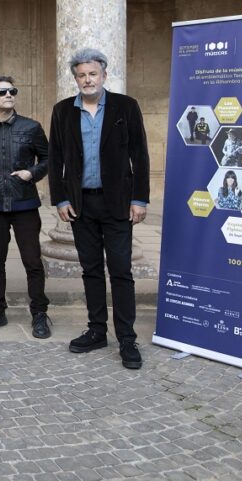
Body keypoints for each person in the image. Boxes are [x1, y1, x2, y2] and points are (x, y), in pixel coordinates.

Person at [48, 48, 149, 370]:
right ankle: (96, 330)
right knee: (90, 269)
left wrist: (139, 199)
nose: (87, 79)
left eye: (93, 74)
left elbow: (140, 155)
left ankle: (127, 338)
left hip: (117, 202)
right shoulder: (63, 111)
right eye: (81, 75)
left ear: (104, 75)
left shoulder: (126, 107)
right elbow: (56, 158)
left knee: (120, 270)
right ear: (75, 79)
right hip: (81, 204)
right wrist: (61, 199)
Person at [0, 76, 52, 338]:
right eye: (2, 92)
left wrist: (32, 173)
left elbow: (48, 158)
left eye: (11, 91)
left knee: (32, 261)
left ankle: (39, 313)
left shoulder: (32, 127)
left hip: (25, 204)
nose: (8, 95)